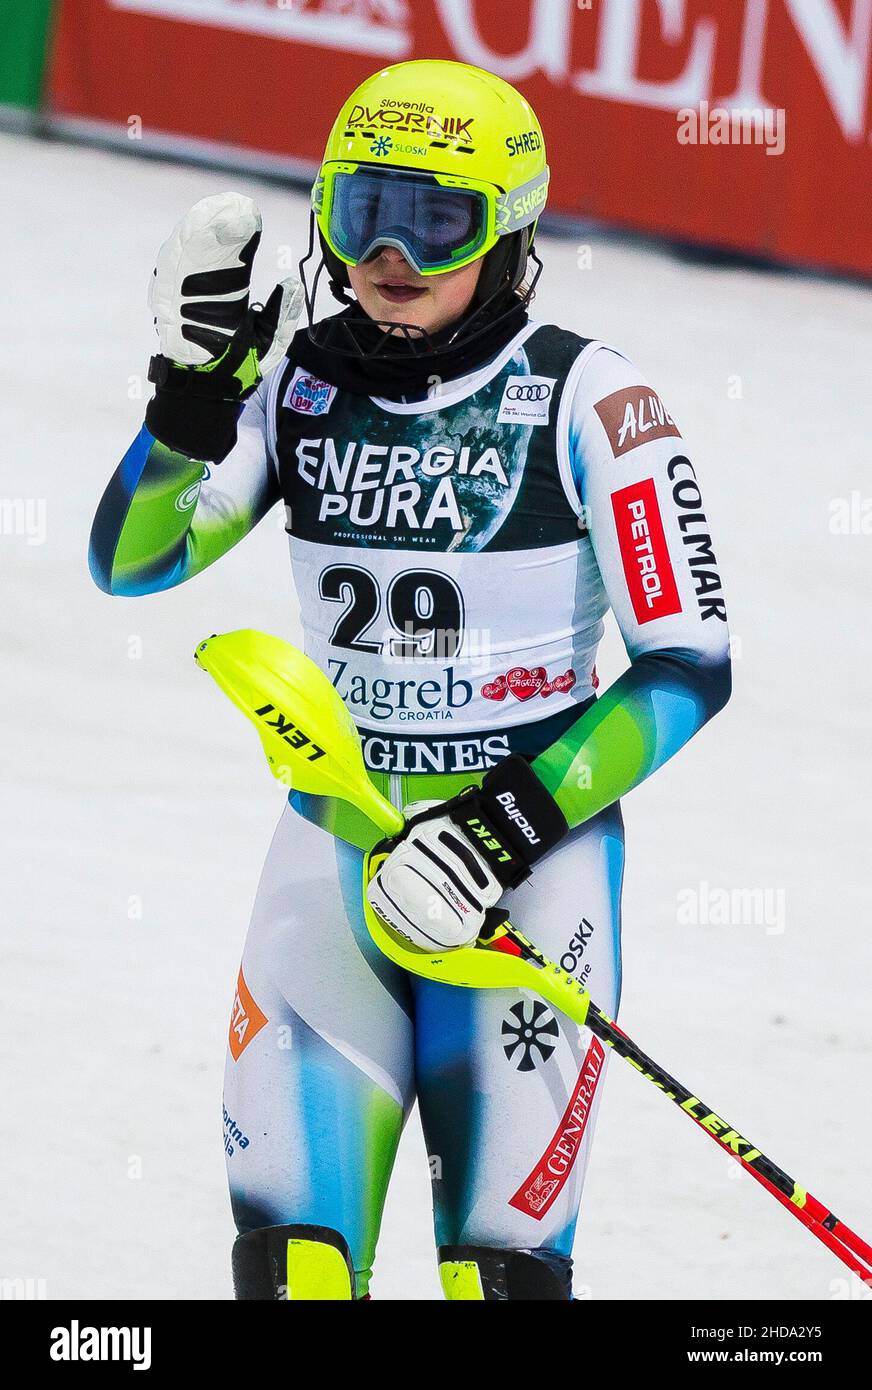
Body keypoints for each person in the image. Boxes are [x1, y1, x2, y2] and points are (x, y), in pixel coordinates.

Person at [89, 58, 731, 1301]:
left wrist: (502, 826)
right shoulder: (296, 382)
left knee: (496, 1276)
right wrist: (183, 410)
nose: (391, 249)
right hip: (334, 847)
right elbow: (134, 558)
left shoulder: (594, 398)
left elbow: (688, 665)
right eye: (360, 208)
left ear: (511, 231)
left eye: (437, 217)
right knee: (292, 1271)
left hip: (527, 882)